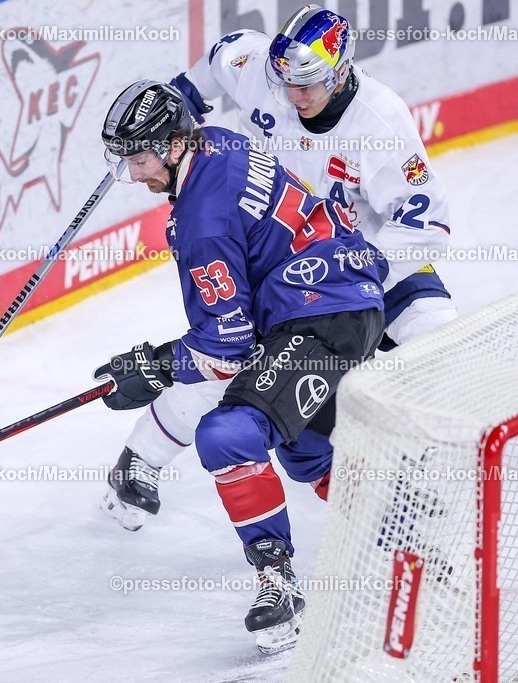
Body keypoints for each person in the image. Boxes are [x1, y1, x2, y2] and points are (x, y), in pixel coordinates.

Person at [103, 4, 457, 531]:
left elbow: (427, 223)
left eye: (311, 85)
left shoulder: (382, 121)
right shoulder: (259, 71)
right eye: (288, 84)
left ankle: (422, 455)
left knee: (441, 341)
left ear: (342, 70)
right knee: (230, 355)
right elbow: (223, 55)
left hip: (367, 256)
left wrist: (357, 269)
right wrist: (174, 108)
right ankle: (141, 459)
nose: (297, 97)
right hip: (274, 253)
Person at [94, 79, 386, 652]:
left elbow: (224, 347)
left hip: (320, 317)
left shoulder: (200, 223)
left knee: (228, 434)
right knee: (303, 451)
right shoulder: (219, 143)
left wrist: (155, 365)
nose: (133, 175)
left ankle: (278, 582)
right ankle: (408, 521)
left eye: (142, 158)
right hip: (337, 298)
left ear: (176, 145)